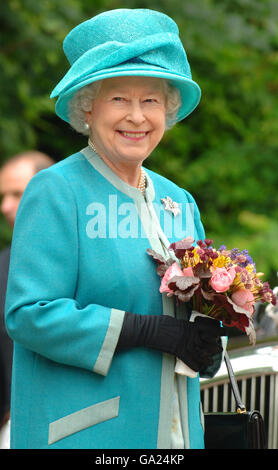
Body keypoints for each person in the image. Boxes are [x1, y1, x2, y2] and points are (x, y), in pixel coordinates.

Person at [5, 9, 224, 450]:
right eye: (119, 99)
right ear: (88, 106)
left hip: (177, 433)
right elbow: (29, 314)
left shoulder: (179, 201)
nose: (137, 117)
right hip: (89, 434)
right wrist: (143, 331)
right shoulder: (56, 190)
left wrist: (207, 338)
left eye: (151, 100)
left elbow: (189, 312)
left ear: (168, 110)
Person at [0, 151, 54, 448]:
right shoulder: (2, 267)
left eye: (17, 193)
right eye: (3, 195)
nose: (5, 206)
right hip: (18, 427)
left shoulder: (96, 256)